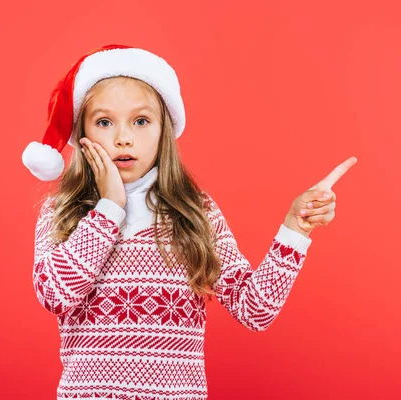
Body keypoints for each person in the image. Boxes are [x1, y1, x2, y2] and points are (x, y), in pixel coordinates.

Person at [22, 44, 357, 400]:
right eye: (105, 122)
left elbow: (254, 309)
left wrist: (296, 229)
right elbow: (54, 295)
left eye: (141, 120)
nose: (123, 136)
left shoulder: (194, 210)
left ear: (163, 129)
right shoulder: (65, 208)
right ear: (82, 133)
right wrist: (108, 208)